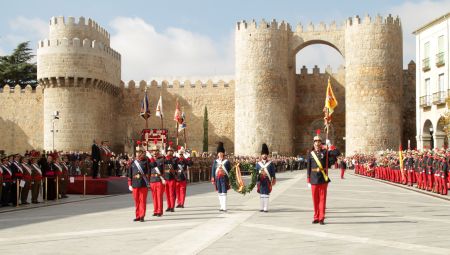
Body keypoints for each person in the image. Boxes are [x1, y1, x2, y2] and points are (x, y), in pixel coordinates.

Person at [307, 134, 340, 225]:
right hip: (313, 178)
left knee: (322, 199)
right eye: (315, 142)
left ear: (321, 144)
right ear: (313, 144)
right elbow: (308, 167)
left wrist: (330, 145)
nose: (317, 144)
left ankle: (321, 217)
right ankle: (316, 217)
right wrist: (308, 179)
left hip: (322, 178)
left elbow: (337, 152)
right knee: (315, 200)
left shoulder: (325, 152)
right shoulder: (310, 153)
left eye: (319, 142)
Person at [128, 148, 150, 222]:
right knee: (136, 201)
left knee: (142, 201)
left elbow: (149, 173)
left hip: (143, 184)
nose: (139, 154)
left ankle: (142, 216)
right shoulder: (133, 163)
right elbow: (129, 174)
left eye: (140, 153)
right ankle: (137, 215)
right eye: (138, 152)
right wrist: (129, 184)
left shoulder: (146, 162)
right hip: (134, 184)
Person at [255, 143, 276, 212]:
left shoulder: (270, 164)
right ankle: (261, 207)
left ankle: (265, 208)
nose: (264, 155)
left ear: (267, 155)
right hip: (260, 181)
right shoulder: (258, 164)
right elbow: (256, 172)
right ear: (261, 155)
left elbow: (273, 173)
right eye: (263, 154)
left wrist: (274, 179)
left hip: (267, 180)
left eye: (265, 154)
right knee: (261, 194)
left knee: (266, 194)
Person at [211, 142, 231, 212]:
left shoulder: (227, 162)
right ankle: (221, 206)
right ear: (217, 154)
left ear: (223, 153)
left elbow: (230, 171)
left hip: (224, 178)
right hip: (217, 178)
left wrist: (230, 179)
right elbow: (213, 170)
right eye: (219, 153)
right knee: (219, 192)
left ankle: (224, 207)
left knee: (224, 192)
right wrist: (213, 178)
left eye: (221, 152)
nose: (220, 154)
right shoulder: (215, 162)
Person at [163, 143, 178, 212]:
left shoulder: (175, 159)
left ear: (172, 152)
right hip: (166, 178)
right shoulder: (165, 159)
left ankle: (172, 206)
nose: (169, 152)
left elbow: (173, 164)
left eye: (170, 151)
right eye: (168, 151)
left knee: (172, 193)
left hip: (172, 178)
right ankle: (169, 206)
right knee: (167, 194)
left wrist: (166, 157)